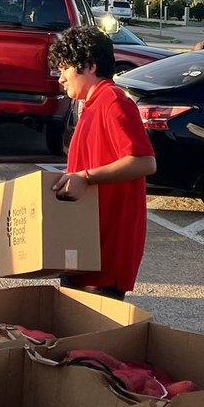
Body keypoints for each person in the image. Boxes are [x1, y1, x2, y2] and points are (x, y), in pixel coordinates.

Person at [50, 26, 156, 298]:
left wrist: (86, 176)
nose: (60, 78)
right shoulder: (91, 103)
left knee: (91, 335)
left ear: (89, 66)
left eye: (65, 68)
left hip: (105, 250)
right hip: (87, 242)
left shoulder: (113, 101)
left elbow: (145, 162)